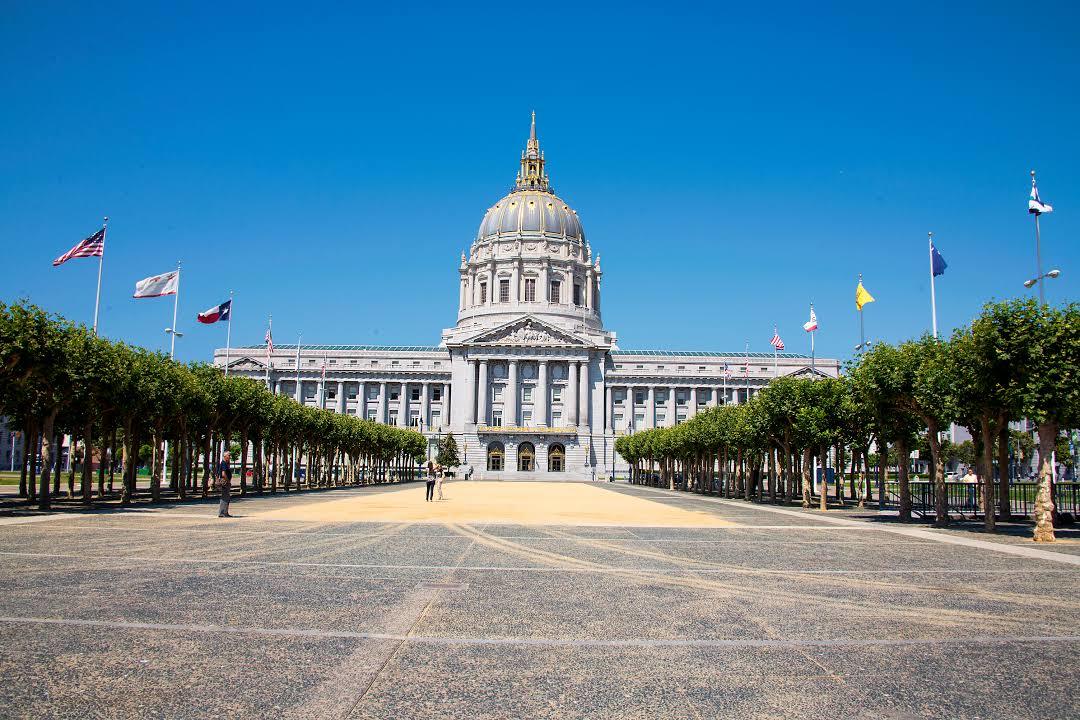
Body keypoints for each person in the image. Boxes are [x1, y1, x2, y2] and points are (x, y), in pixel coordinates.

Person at [217, 451, 233, 518]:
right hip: (225, 482)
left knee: (226, 497)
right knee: (225, 497)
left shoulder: (225, 463)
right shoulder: (223, 463)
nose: (230, 457)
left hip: (225, 481)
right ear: (225, 456)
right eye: (229, 455)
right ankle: (223, 512)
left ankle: (224, 512)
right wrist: (228, 480)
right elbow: (223, 474)